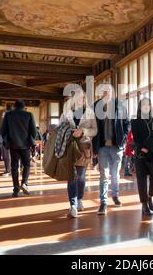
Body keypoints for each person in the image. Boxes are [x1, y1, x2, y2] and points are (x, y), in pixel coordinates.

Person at [60, 89, 97, 218]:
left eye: (82, 98)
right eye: (77, 98)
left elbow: (94, 130)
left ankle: (79, 198)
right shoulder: (66, 113)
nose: (80, 100)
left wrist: (82, 131)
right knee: (71, 176)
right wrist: (69, 131)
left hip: (84, 147)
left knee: (81, 176)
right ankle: (73, 205)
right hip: (69, 147)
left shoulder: (90, 113)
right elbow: (60, 128)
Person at [92, 84, 129, 215]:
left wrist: (123, 139)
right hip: (102, 147)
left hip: (116, 146)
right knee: (104, 175)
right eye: (104, 92)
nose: (106, 94)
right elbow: (91, 125)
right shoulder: (95, 106)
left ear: (112, 93)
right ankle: (103, 202)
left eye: (108, 92)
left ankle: (115, 196)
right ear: (101, 93)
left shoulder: (120, 105)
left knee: (115, 175)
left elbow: (126, 124)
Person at [131, 98, 153, 216]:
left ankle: (150, 197)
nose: (146, 107)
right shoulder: (135, 122)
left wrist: (151, 148)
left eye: (148, 105)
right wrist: (143, 148)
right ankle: (144, 204)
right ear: (140, 107)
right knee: (141, 180)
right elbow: (136, 139)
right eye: (143, 105)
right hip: (141, 154)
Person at [0, 100, 38, 197]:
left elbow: (3, 130)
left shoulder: (8, 115)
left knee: (14, 166)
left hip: (13, 145)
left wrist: (7, 141)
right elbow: (34, 131)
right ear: (24, 107)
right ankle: (24, 183)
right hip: (25, 145)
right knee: (27, 164)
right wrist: (30, 141)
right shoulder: (29, 115)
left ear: (14, 106)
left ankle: (16, 189)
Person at [0, 111, 11, 177]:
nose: (2, 116)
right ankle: (7, 169)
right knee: (5, 157)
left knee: (8, 157)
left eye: (3, 115)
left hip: (7, 142)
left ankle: (8, 171)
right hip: (3, 142)